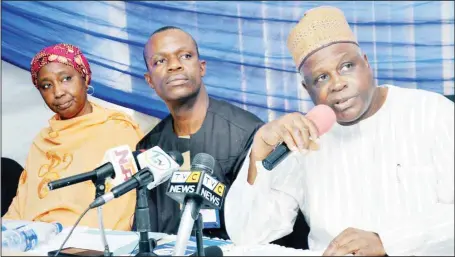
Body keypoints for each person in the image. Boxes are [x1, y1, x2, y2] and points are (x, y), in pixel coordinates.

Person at [225, 6, 454, 256]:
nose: (337, 83)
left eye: (346, 66)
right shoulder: (304, 139)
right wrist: (258, 156)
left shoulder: (432, 112)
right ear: (306, 88)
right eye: (321, 78)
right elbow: (246, 236)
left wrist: (388, 241)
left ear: (366, 63)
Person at [137, 26, 264, 239]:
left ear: (202, 68)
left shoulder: (247, 133)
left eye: (185, 56)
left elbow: (262, 224)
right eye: (160, 61)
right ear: (149, 80)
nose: (174, 66)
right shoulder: (149, 147)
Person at [4, 43, 144, 231]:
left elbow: (125, 202)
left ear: (85, 79)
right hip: (37, 239)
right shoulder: (42, 140)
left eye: (66, 79)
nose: (58, 92)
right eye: (46, 86)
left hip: (90, 241)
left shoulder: (117, 128)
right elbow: (22, 203)